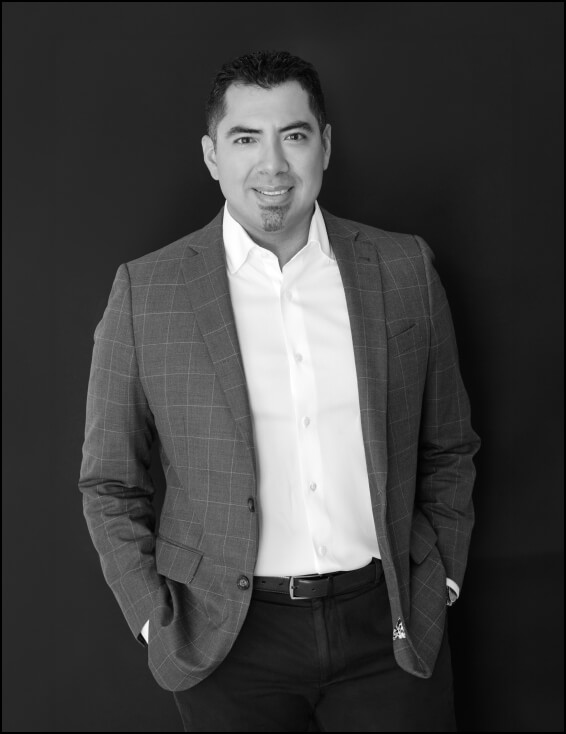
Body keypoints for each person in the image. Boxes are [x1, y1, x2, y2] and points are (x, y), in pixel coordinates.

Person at [78, 49, 481, 732]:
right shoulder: (147, 293)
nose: (273, 165)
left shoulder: (405, 268)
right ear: (211, 155)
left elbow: (448, 446)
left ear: (325, 145)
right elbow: (109, 483)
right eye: (245, 139)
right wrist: (153, 620)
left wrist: (438, 583)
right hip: (226, 641)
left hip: (389, 625)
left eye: (293, 135)